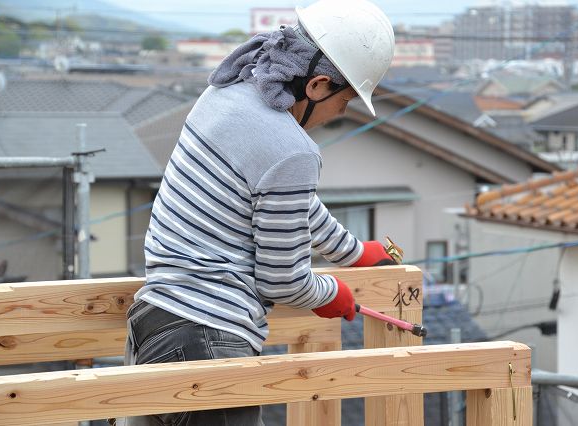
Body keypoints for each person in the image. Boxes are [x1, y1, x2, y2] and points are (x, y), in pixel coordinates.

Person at [121, 1, 396, 425]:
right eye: (342, 104)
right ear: (319, 85)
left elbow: (284, 200)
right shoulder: (291, 149)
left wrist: (352, 251)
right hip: (209, 340)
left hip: (152, 322)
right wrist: (331, 293)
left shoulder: (226, 92)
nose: (336, 116)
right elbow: (283, 280)